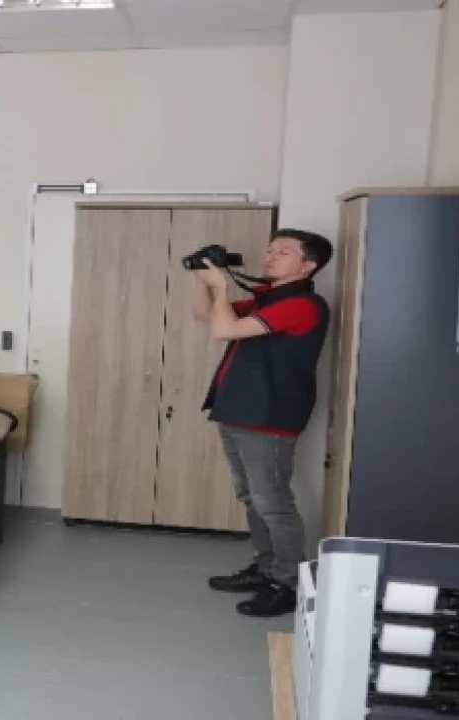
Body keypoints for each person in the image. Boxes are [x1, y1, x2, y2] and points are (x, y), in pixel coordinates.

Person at [194, 229, 333, 618]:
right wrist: (203, 280)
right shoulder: (267, 299)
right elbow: (205, 315)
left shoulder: (303, 305)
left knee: (272, 502)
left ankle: (287, 583)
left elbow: (224, 330)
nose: (270, 256)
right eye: (270, 250)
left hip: (269, 416)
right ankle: (267, 567)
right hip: (238, 410)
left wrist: (222, 286)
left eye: (283, 252)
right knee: (251, 497)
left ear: (308, 265)